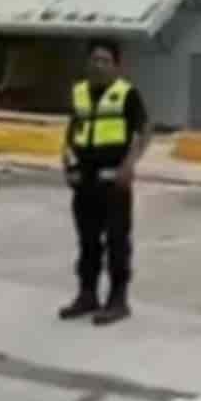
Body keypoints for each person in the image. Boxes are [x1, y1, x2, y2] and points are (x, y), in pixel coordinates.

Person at [59, 39, 151, 325]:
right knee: (87, 241)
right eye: (95, 60)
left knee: (117, 241)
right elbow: (71, 133)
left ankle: (117, 299)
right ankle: (87, 294)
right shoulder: (79, 93)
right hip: (84, 182)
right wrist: (68, 165)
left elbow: (143, 131)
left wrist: (129, 165)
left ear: (116, 65)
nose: (99, 65)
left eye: (105, 61)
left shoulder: (127, 94)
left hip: (114, 182)